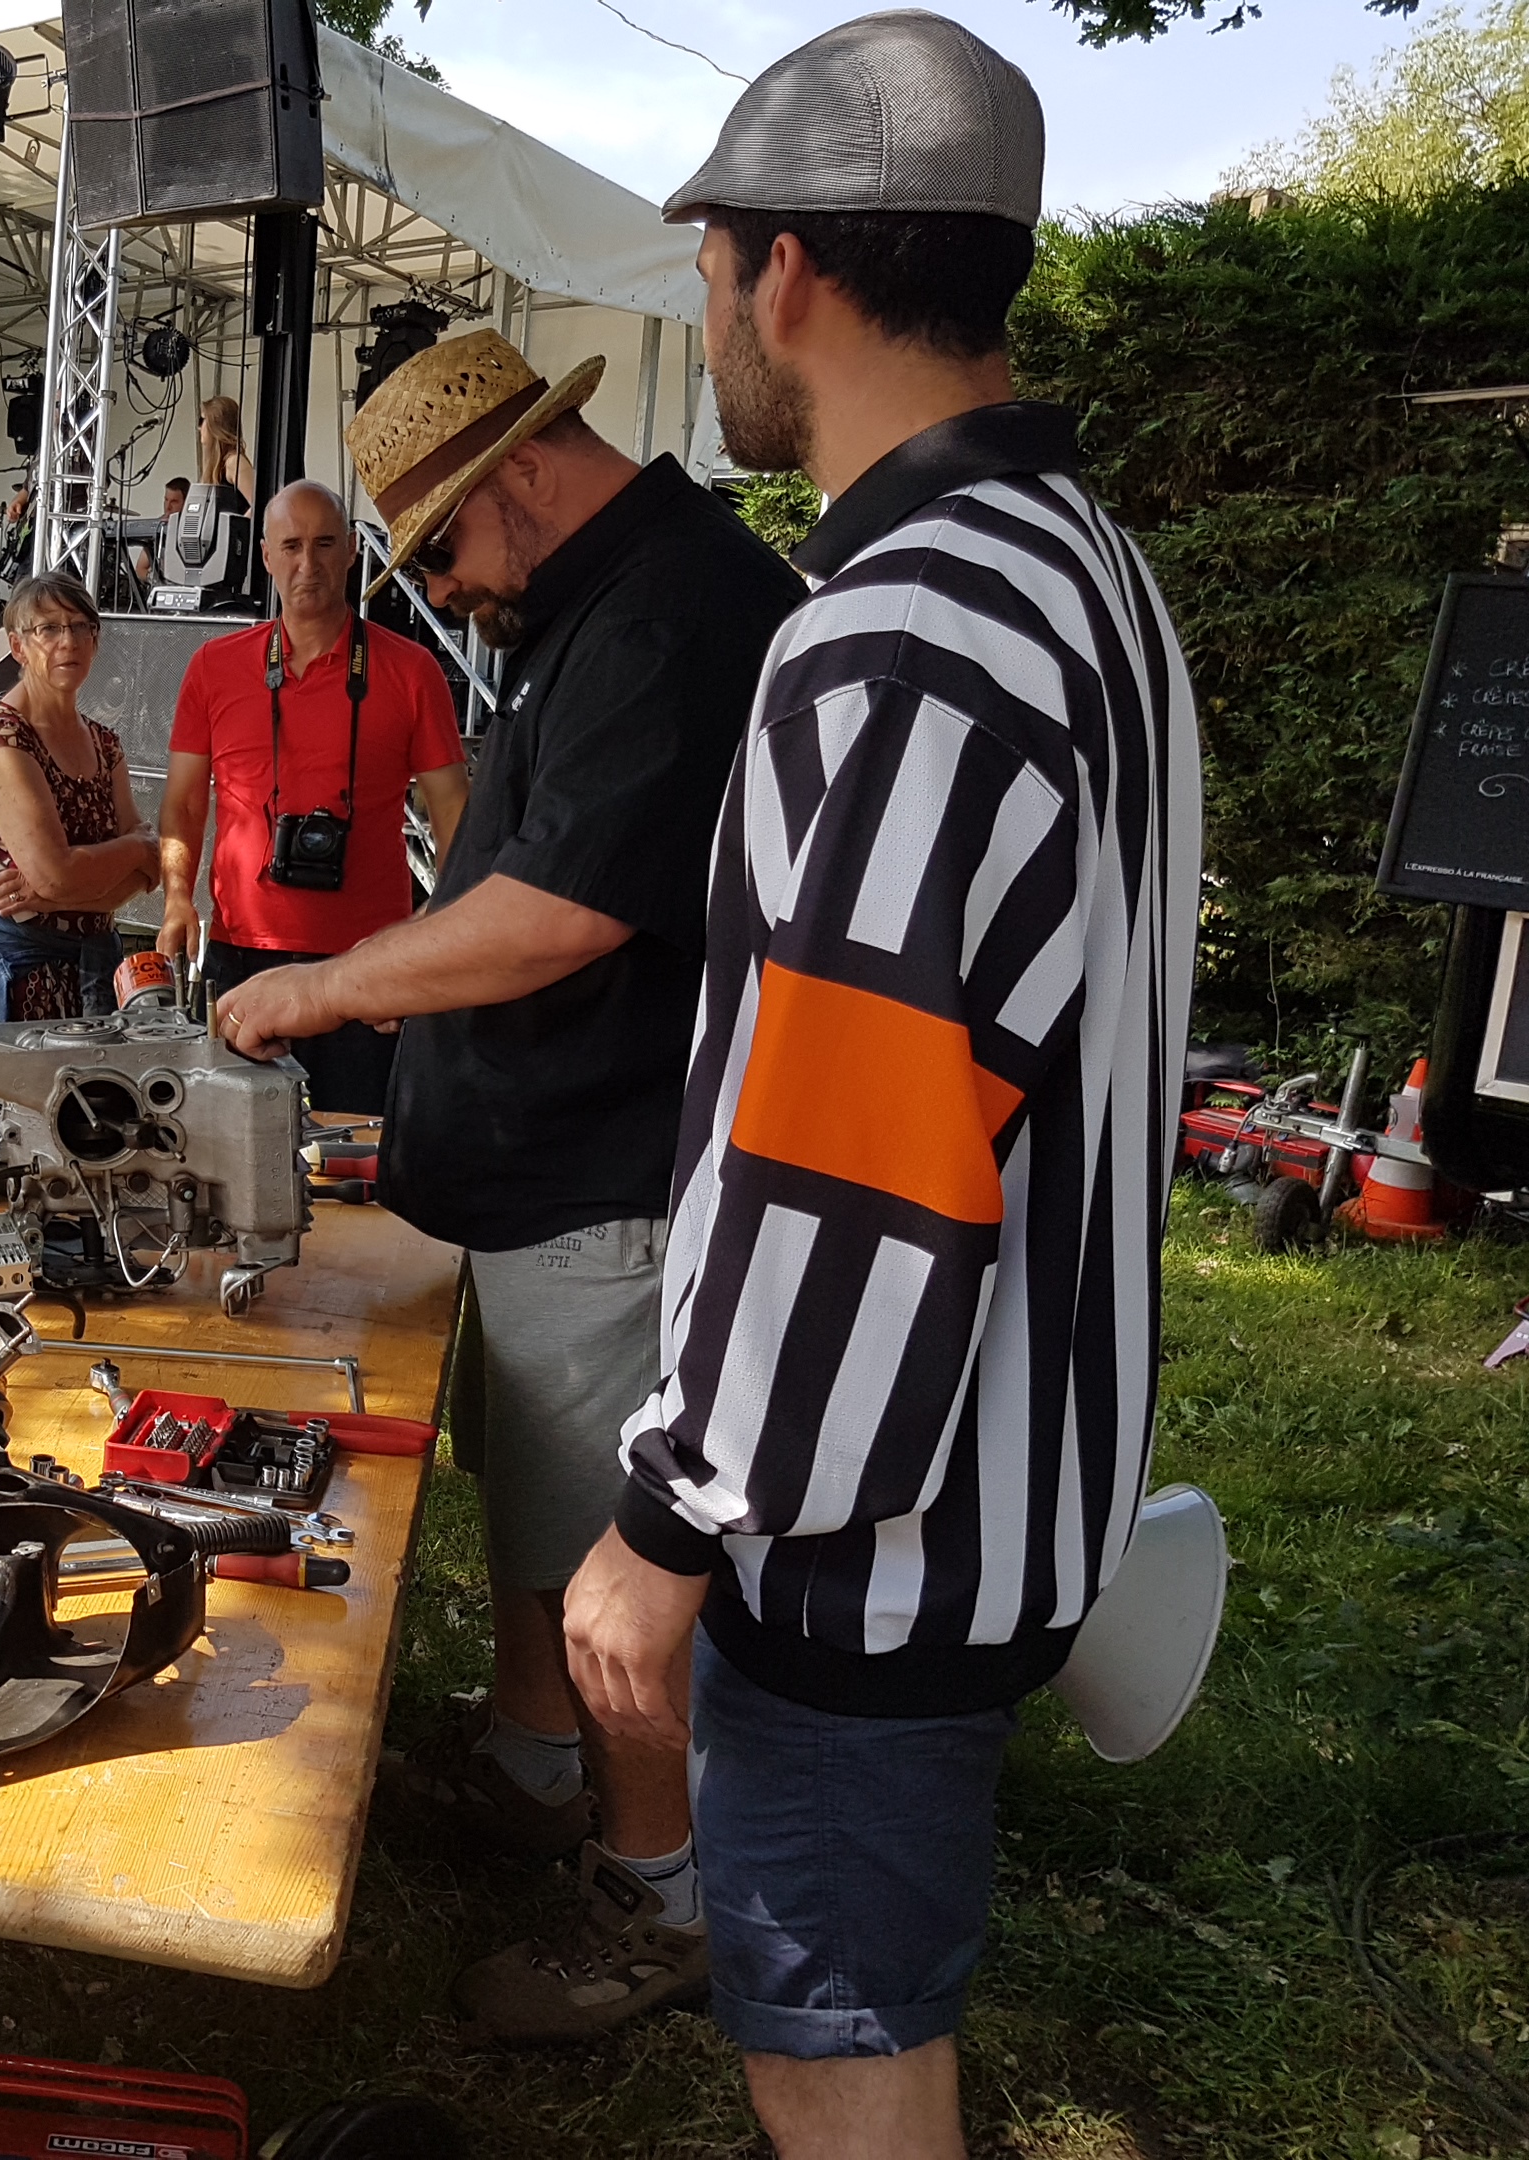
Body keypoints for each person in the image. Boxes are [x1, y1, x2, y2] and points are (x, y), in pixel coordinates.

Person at [558, 17, 1201, 2155]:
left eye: (713, 263)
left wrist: (670, 1523)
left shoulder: (900, 631)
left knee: (837, 2054)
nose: (712, 314)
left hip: (868, 1555)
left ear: (790, 272)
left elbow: (856, 1155)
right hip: (1005, 1502)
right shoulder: (1088, 577)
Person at [213, 329, 801, 2039]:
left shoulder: (670, 613)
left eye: (446, 549)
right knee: (541, 1516)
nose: (444, 590)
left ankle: (657, 1894)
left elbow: (567, 910)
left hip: (606, 1172)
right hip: (535, 1173)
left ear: (526, 477)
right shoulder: (585, 600)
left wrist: (326, 987)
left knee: (622, 1568)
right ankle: (537, 1767)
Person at [157, 479, 468, 1113]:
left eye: (325, 543)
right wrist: (174, 900)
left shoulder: (410, 671)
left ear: (353, 551)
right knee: (234, 1150)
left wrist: (437, 923)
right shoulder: (214, 667)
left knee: (357, 1153)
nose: (308, 564)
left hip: (368, 963)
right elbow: (185, 800)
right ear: (265, 556)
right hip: (242, 954)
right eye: (291, 545)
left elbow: (455, 809)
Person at [0, 572, 161, 1022]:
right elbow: (58, 874)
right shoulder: (5, 741)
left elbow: (147, 875)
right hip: (16, 971)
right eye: (48, 629)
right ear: (18, 646)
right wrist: (136, 847)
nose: (68, 641)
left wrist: (51, 896)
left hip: (94, 969)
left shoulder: (105, 743)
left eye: (81, 627)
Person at [130, 477, 192, 584]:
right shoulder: (157, 527)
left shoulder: (192, 529)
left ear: (186, 503)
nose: (168, 507)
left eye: (174, 501)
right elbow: (140, 569)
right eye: (166, 500)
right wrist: (154, 579)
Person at [197, 399, 253, 514]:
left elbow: (259, 505)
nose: (199, 427)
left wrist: (233, 529)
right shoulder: (216, 465)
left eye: (202, 420)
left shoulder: (234, 462)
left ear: (216, 424)